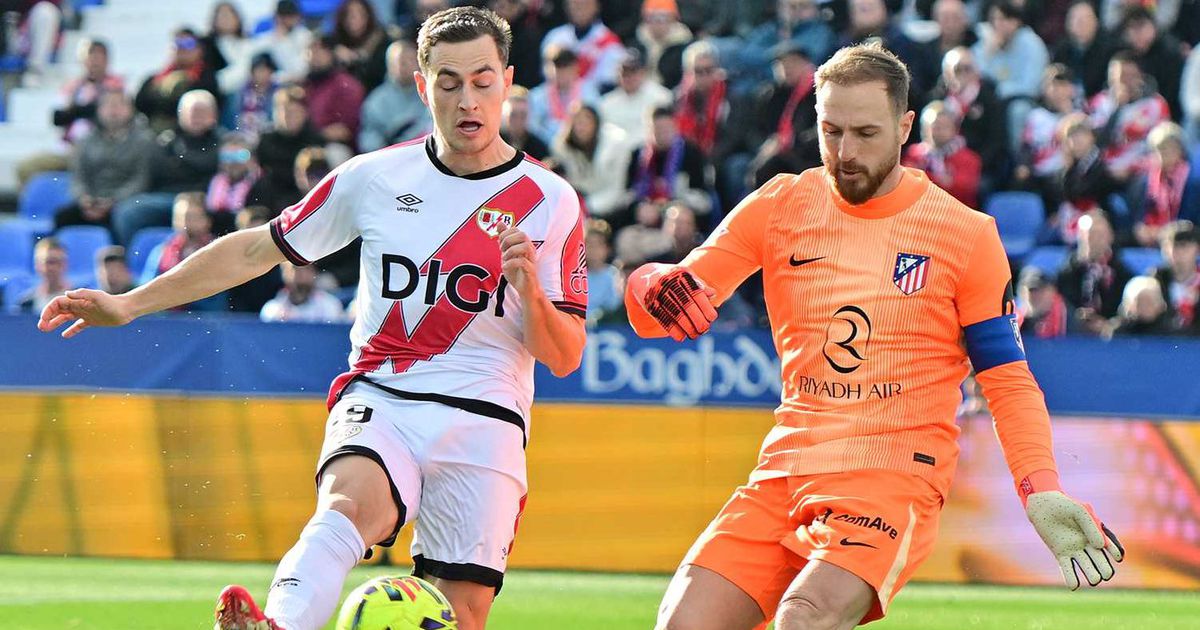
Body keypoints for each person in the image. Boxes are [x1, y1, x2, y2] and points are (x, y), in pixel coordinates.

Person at [37, 9, 587, 630]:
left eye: (483, 81)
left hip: (486, 417)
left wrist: (530, 293)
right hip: (385, 395)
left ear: (508, 81)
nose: (467, 100)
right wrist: (130, 303)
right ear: (420, 85)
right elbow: (254, 250)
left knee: (460, 614)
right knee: (347, 506)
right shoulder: (375, 177)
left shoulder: (551, 202)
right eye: (448, 82)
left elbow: (565, 354)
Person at [623, 42, 1123, 630]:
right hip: (786, 469)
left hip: (893, 476)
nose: (845, 153)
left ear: (905, 127)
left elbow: (1008, 381)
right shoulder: (781, 204)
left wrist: (1039, 487)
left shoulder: (965, 235)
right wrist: (649, 282)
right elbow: (662, 305)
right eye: (831, 132)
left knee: (803, 617)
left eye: (865, 133)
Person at [112, 90, 222, 246]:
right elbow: (149, 175)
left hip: (205, 199)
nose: (196, 117)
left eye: (201, 112)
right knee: (128, 211)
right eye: (191, 112)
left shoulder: (223, 142)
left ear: (214, 115)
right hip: (167, 197)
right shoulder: (165, 141)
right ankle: (131, 257)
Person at [16, 38, 124, 187]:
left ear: (107, 60)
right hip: (69, 150)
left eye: (99, 57)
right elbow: (58, 118)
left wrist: (75, 111)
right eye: (91, 57)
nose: (94, 62)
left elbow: (103, 115)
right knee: (26, 168)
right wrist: (79, 109)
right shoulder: (74, 86)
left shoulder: (116, 87)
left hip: (100, 153)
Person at [52, 89, 156, 236]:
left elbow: (141, 180)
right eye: (108, 105)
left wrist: (113, 201)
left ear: (131, 110)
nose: (113, 110)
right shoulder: (85, 141)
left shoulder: (145, 141)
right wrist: (83, 198)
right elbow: (78, 176)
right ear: (99, 110)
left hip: (125, 202)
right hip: (91, 201)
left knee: (125, 217)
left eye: (119, 105)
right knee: (63, 216)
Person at [1087, 52, 1171, 182]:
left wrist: (1133, 168)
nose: (1124, 82)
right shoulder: (1100, 102)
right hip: (1104, 171)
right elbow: (1097, 143)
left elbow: (1162, 146)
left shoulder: (1156, 104)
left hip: (1141, 172)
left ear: (1140, 77)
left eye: (1129, 76)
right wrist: (1117, 109)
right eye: (1118, 77)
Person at [624, 106, 714, 218]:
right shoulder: (638, 155)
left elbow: (702, 197)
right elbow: (629, 193)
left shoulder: (691, 153)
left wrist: (668, 206)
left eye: (667, 128)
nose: (663, 133)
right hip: (645, 214)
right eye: (657, 129)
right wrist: (639, 208)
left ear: (675, 127)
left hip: (680, 212)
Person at [1056, 211, 1134, 334]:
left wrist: (1110, 324)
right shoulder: (1066, 273)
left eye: (1100, 235)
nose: (1095, 240)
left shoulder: (1123, 274)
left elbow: (1127, 310)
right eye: (1090, 235)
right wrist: (1077, 318)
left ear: (1110, 236)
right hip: (1073, 335)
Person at [550, 104, 630, 218]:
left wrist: (587, 207)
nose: (582, 127)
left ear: (596, 124)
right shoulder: (561, 147)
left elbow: (616, 190)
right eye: (578, 121)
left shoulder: (616, 146)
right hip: (576, 208)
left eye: (587, 121)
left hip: (612, 210)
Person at [134, 28, 220, 133]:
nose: (182, 49)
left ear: (199, 49)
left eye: (188, 44)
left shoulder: (206, 78)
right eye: (177, 44)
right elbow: (141, 104)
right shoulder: (155, 79)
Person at [1129, 123, 1200, 246]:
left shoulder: (1194, 181)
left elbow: (1193, 219)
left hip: (1184, 240)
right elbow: (1137, 216)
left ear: (1181, 151)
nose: (1164, 153)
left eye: (1171, 148)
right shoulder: (1143, 182)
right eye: (1160, 148)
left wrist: (1168, 231)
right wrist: (1141, 229)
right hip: (1149, 240)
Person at [358, 39, 433, 152]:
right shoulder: (376, 101)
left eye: (411, 60)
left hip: (424, 152)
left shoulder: (431, 94)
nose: (406, 66)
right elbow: (368, 136)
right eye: (401, 62)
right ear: (389, 66)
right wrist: (386, 150)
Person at [539, 0, 624, 92]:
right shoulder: (555, 37)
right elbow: (547, 75)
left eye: (584, 4)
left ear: (596, 6)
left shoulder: (610, 43)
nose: (579, 8)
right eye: (575, 3)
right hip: (557, 97)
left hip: (595, 98)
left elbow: (608, 83)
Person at [598, 48, 673, 146]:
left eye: (633, 72)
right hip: (617, 150)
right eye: (624, 73)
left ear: (643, 72)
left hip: (647, 149)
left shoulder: (661, 96)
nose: (629, 77)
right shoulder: (607, 103)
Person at [527, 47, 599, 145]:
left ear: (575, 68)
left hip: (580, 145)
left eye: (566, 67)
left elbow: (594, 124)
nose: (562, 72)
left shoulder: (589, 92)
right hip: (545, 146)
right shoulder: (537, 96)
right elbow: (533, 128)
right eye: (558, 67)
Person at [304, 35, 366, 149]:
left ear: (332, 53)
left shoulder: (346, 85)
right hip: (307, 143)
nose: (314, 56)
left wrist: (319, 134)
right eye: (311, 51)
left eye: (321, 50)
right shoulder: (305, 86)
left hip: (339, 147)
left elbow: (344, 131)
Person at [1051, 1, 1111, 99]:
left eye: (1086, 19)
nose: (1081, 24)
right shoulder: (1061, 49)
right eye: (1076, 19)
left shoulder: (1109, 50)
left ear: (1096, 22)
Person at [1151, 221, 1200, 334]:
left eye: (1184, 245)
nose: (1176, 252)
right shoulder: (1155, 279)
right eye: (1170, 246)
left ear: (1197, 249)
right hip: (1162, 340)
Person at [632, 0, 693, 90]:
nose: (657, 23)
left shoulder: (684, 45)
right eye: (651, 18)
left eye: (662, 18)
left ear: (673, 19)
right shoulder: (638, 42)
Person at [250, 0, 313, 85]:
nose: (287, 20)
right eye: (283, 16)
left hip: (299, 85)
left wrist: (283, 41)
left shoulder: (306, 37)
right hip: (270, 86)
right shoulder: (263, 40)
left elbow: (301, 71)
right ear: (276, 17)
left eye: (291, 16)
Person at [260, 262, 348, 323]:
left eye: (306, 269)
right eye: (295, 269)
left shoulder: (330, 305)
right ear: (284, 273)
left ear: (314, 272)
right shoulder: (271, 310)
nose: (301, 274)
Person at [224, 52, 279, 142]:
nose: (263, 74)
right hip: (242, 137)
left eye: (267, 70)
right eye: (260, 70)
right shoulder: (240, 92)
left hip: (268, 138)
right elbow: (233, 117)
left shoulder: (278, 92)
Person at [583, 218, 624, 324]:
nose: (594, 250)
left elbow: (614, 305)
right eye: (590, 245)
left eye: (598, 245)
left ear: (607, 249)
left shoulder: (612, 274)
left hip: (606, 326)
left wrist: (598, 316)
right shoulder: (578, 276)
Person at [19, 238, 71, 313]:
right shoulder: (26, 303)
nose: (51, 268)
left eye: (55, 262)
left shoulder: (78, 301)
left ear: (65, 264)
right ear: (37, 265)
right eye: (47, 262)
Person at [500, 86, 550, 160]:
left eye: (523, 115)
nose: (518, 121)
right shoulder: (493, 143)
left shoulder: (538, 148)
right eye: (513, 115)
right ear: (503, 114)